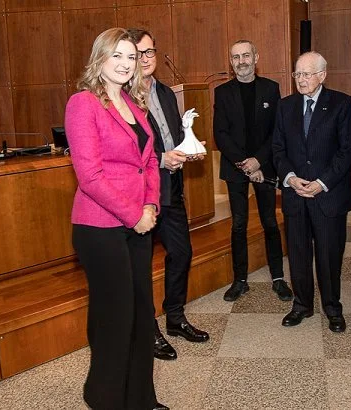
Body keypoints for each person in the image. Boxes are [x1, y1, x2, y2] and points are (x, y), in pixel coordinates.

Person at [65, 28, 168, 410]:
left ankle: (140, 398)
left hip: (138, 222)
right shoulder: (83, 103)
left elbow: (150, 163)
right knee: (116, 317)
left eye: (131, 57)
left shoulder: (135, 105)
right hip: (100, 227)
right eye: (117, 56)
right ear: (100, 59)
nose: (126, 64)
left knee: (142, 313)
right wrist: (132, 214)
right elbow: (89, 176)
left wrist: (151, 206)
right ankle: (106, 398)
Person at [127, 28, 209, 362]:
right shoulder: (122, 97)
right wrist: (162, 158)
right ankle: (149, 330)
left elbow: (171, 134)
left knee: (182, 253)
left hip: (171, 189)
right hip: (139, 194)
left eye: (149, 52)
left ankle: (174, 318)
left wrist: (189, 148)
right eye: (138, 54)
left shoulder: (163, 90)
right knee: (140, 266)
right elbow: (127, 150)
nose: (145, 59)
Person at [272, 51, 351, 330]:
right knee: (297, 253)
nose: (301, 79)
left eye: (307, 74)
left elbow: (347, 151)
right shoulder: (285, 107)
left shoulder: (341, 104)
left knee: (329, 254)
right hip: (295, 195)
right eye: (297, 74)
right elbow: (278, 149)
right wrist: (291, 177)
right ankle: (302, 305)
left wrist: (321, 183)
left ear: (322, 75)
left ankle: (333, 308)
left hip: (328, 196)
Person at [213, 40, 293, 302]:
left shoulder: (271, 89)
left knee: (270, 221)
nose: (241, 61)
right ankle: (240, 280)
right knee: (238, 224)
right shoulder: (222, 92)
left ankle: (279, 279)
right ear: (231, 61)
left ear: (256, 57)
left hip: (264, 166)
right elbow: (220, 134)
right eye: (236, 57)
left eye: (246, 55)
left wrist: (258, 160)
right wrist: (244, 164)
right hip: (236, 168)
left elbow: (277, 132)